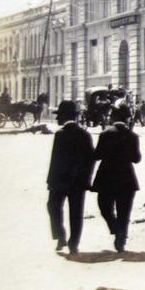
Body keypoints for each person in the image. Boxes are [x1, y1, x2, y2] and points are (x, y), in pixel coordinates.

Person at [47, 100, 95, 254]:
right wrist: (86, 180)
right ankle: (73, 244)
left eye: (59, 115)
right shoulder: (85, 135)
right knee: (76, 213)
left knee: (53, 206)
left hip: (60, 182)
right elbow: (91, 160)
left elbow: (55, 160)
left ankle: (60, 236)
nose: (57, 119)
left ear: (65, 116)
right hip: (78, 183)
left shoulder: (60, 135)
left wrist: (51, 181)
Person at [91, 105, 141, 253]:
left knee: (104, 206)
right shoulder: (132, 136)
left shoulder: (105, 134)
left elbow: (97, 155)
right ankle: (121, 240)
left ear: (113, 117)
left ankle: (114, 228)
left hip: (106, 176)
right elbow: (136, 159)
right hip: (126, 178)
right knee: (124, 211)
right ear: (127, 118)